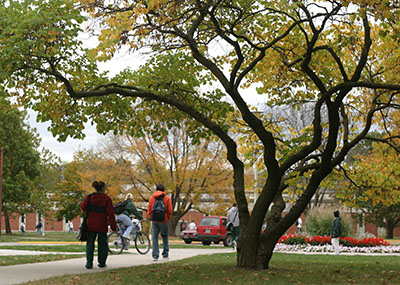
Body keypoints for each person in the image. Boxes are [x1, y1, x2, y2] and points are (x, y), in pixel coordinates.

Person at [80, 181, 117, 269]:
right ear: (103, 188)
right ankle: (102, 262)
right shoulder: (107, 199)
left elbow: (82, 207)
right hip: (102, 225)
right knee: (103, 244)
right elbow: (111, 214)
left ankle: (89, 263)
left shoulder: (89, 198)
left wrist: (90, 213)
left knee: (90, 244)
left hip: (90, 224)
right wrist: (113, 227)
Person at [147, 183, 173, 261]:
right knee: (164, 236)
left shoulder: (152, 198)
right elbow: (170, 210)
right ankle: (165, 253)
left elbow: (149, 209)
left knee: (155, 237)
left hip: (154, 220)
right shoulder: (167, 198)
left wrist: (150, 217)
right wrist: (167, 217)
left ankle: (155, 255)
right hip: (164, 220)